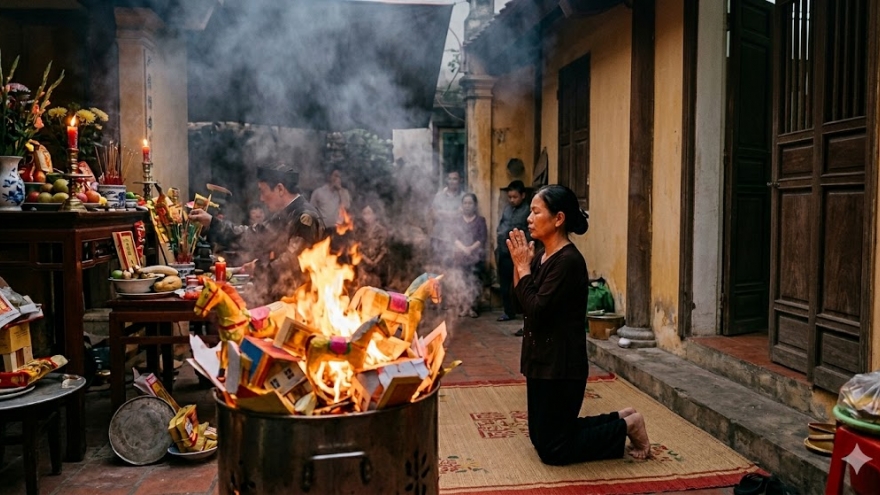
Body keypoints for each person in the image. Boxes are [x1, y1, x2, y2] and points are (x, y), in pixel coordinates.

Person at [507, 184, 652, 464]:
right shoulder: (543, 256)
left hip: (562, 365)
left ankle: (628, 427)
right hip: (541, 360)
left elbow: (537, 310)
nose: (528, 218)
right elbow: (521, 303)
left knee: (554, 451)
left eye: (536, 212)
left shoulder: (569, 261)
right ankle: (622, 417)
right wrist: (519, 264)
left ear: (558, 218)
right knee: (543, 438)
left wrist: (523, 268)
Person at [189, 164, 326, 303]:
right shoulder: (283, 214)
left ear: (280, 189)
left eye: (263, 191)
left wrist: (258, 268)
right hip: (284, 296)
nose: (261, 198)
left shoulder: (305, 217)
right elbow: (252, 236)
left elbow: (292, 262)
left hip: (304, 302)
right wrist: (212, 222)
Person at [495, 180, 530, 323]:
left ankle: (525, 313)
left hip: (520, 254)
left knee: (521, 285)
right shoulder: (507, 210)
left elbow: (530, 233)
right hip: (504, 252)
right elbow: (501, 226)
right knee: (504, 286)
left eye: (515, 197)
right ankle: (508, 312)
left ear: (523, 195)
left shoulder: (528, 210)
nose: (512, 200)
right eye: (510, 197)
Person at [452, 193, 487, 318]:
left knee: (474, 282)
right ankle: (463, 308)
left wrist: (470, 249)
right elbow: (454, 238)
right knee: (462, 282)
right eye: (465, 203)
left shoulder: (480, 220)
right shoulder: (457, 221)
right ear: (461, 205)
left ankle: (472, 308)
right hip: (460, 257)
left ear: (475, 205)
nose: (467, 206)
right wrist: (463, 249)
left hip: (475, 257)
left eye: (470, 203)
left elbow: (482, 238)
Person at [429, 170, 465, 267]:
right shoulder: (439, 196)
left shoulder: (464, 197)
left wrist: (442, 212)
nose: (452, 181)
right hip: (438, 236)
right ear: (446, 180)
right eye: (450, 179)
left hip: (455, 239)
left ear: (460, 180)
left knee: (453, 268)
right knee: (437, 266)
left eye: (455, 179)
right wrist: (453, 213)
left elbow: (461, 215)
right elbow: (433, 215)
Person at [356, 202, 389, 289]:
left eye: (369, 213)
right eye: (364, 214)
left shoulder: (381, 230)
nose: (367, 217)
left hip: (379, 266)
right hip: (363, 266)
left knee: (378, 289)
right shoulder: (359, 231)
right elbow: (357, 249)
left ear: (374, 215)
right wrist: (367, 260)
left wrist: (375, 261)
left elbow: (384, 249)